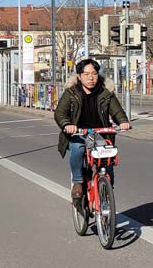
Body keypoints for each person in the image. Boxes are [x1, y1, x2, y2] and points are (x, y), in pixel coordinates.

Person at [54, 59, 130, 200]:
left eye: (94, 74)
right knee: (77, 149)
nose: (91, 78)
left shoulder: (106, 93)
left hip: (101, 134)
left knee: (107, 159)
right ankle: (77, 181)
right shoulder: (71, 93)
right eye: (87, 74)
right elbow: (60, 113)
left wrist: (123, 121)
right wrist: (66, 124)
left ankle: (106, 188)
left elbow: (117, 111)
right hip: (78, 133)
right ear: (79, 76)